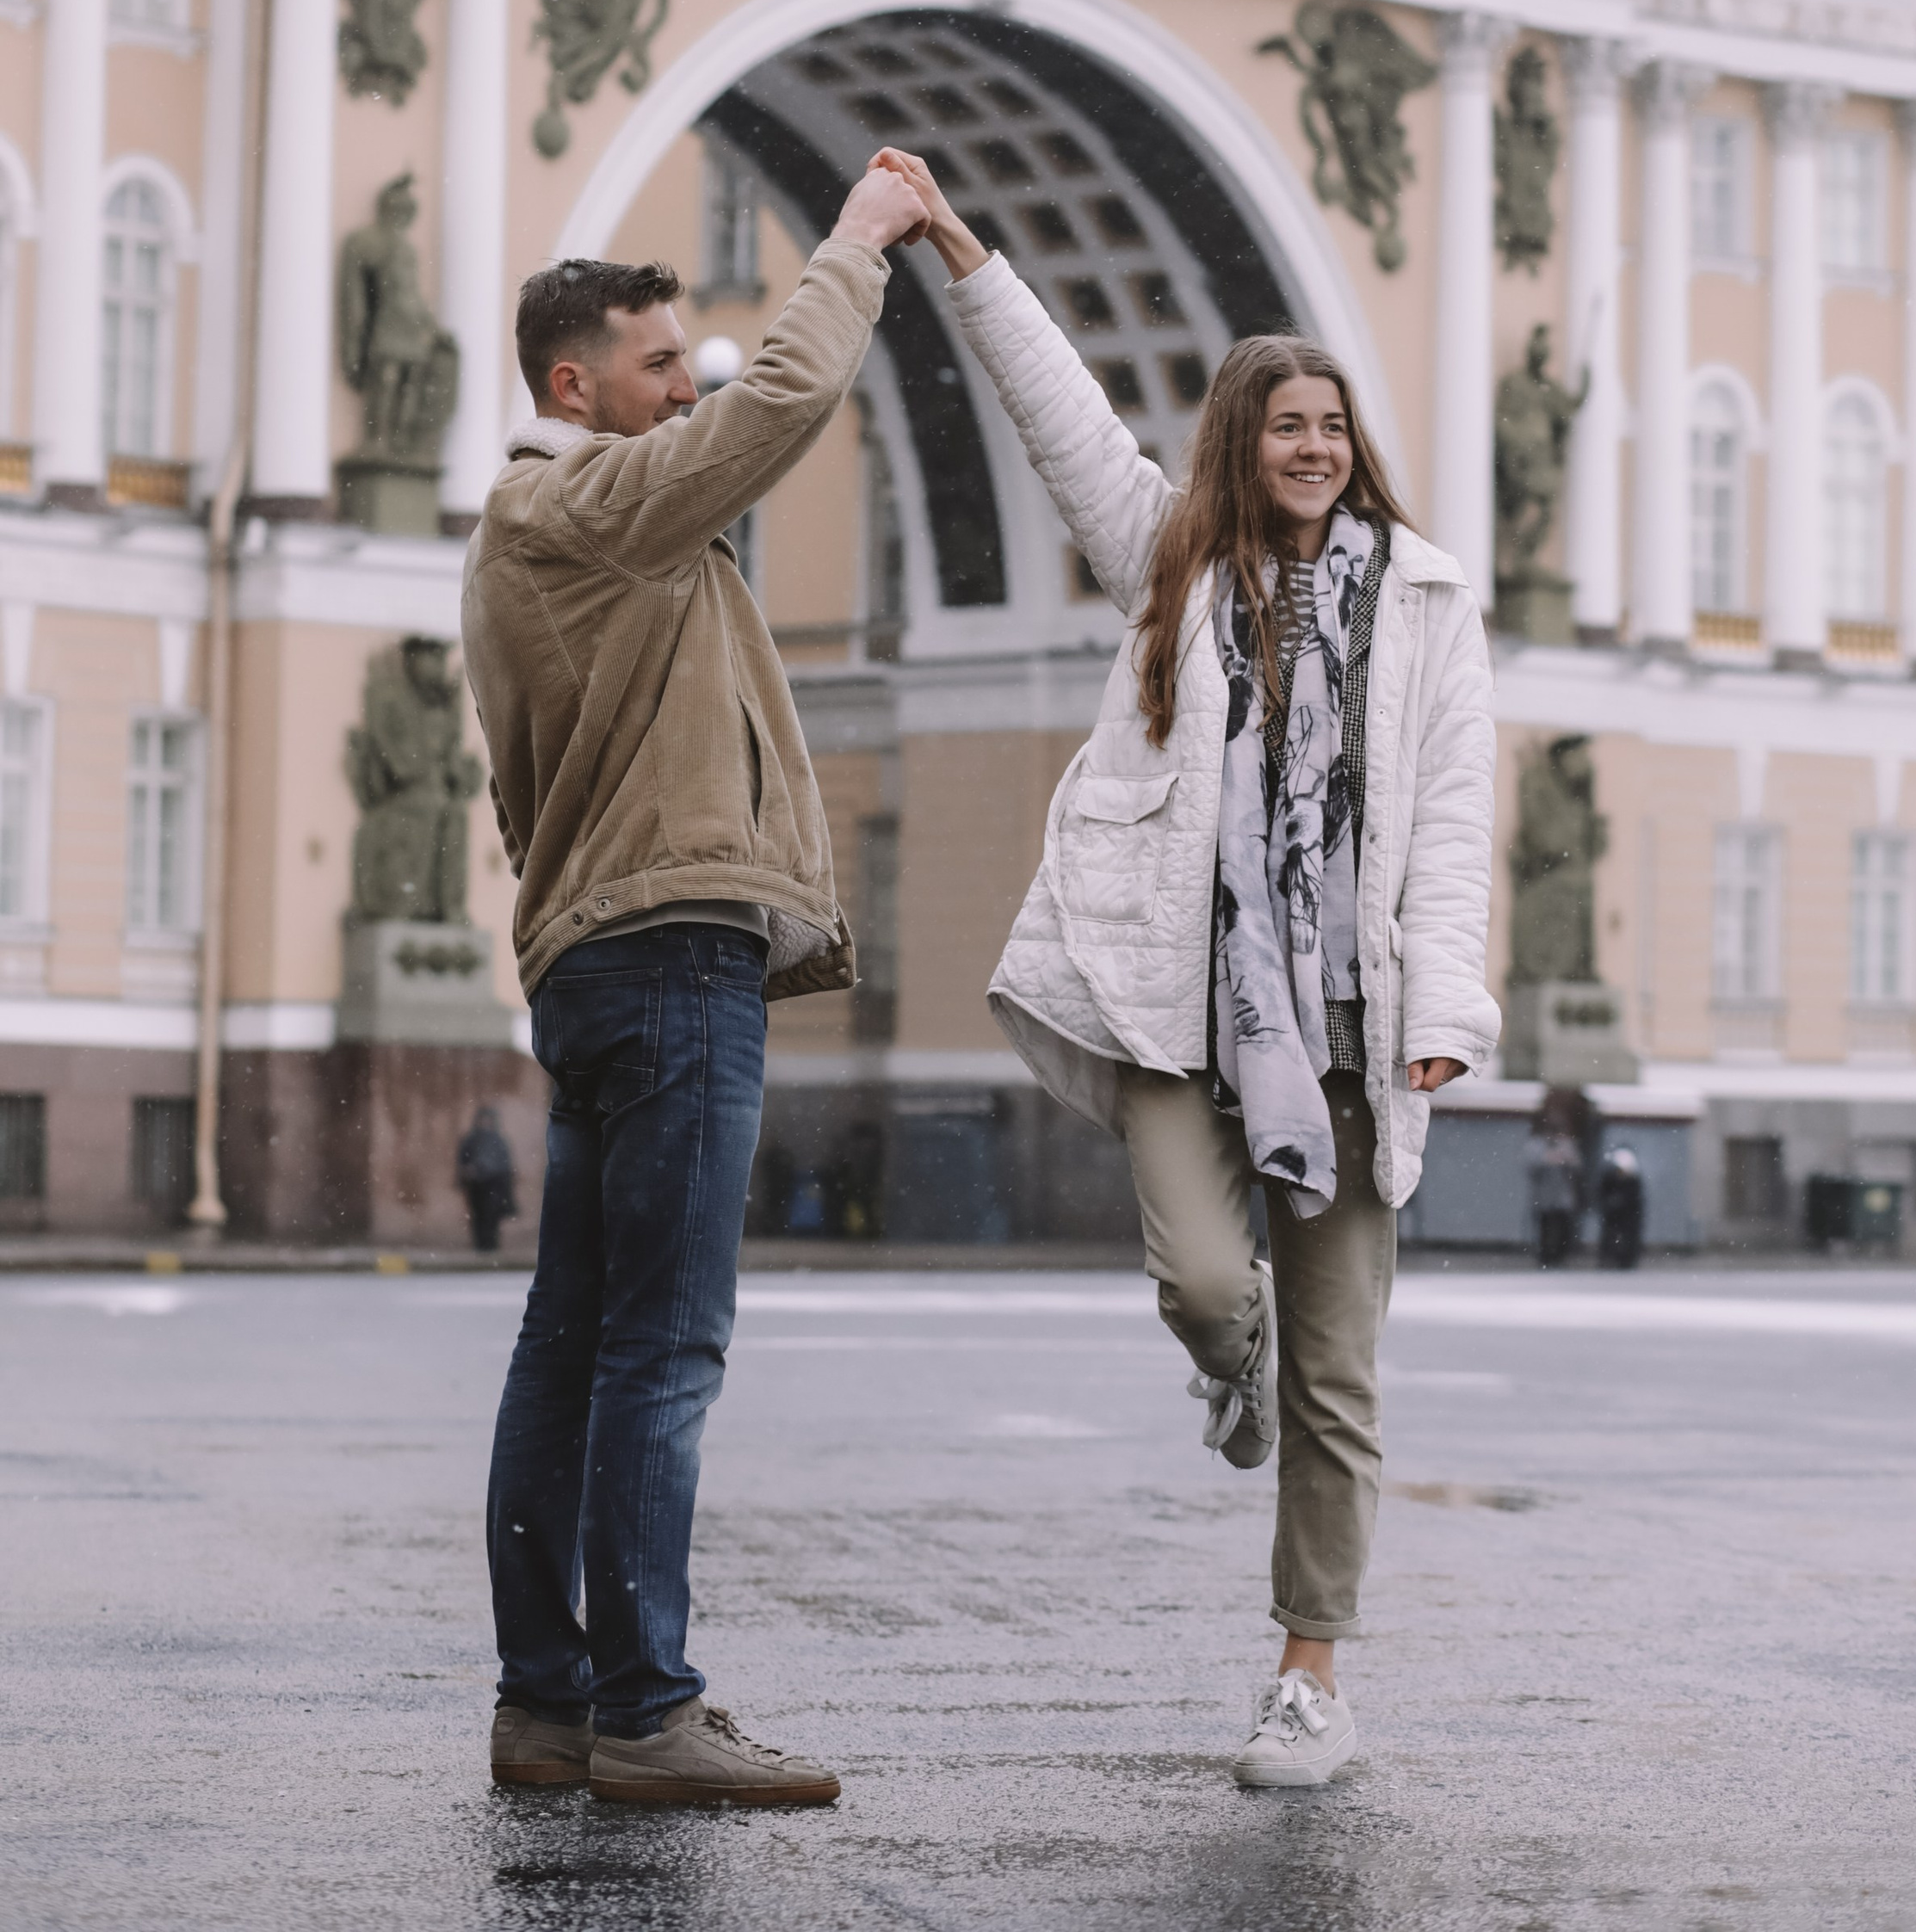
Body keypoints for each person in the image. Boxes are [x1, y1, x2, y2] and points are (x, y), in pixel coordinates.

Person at [875, 146, 1497, 1790]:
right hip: (1179, 1001)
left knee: (1343, 1368)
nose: (1315, 449)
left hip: (1352, 1030)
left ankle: (1308, 1676)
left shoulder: (1430, 604)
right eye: (1287, 426)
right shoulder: (1173, 561)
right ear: (1242, 443)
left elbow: (1448, 818)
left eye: (1334, 426)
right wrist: (960, 250)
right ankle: (1238, 1381)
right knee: (1211, 1291)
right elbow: (1065, 416)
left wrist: (1442, 1012)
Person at [461, 173, 925, 1809]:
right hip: (668, 954)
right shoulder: (584, 504)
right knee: (663, 1345)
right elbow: (785, 399)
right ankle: (647, 1708)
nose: (692, 385)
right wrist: (858, 244)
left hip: (608, 954)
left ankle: (548, 1701)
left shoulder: (563, 537)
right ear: (572, 385)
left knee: (577, 1339)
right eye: (660, 362)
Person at [455, 1104, 518, 1256]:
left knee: (492, 1215)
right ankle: (481, 1246)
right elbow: (463, 1161)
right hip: (476, 1185)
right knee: (478, 1215)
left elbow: (505, 1163)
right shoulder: (470, 1140)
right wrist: (469, 1171)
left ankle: (491, 1246)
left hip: (495, 1185)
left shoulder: (499, 1140)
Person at [1528, 1114, 1584, 1269]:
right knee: (1544, 1228)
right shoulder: (1537, 1146)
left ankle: (1560, 1256)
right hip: (1543, 1197)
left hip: (1563, 1197)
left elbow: (1577, 1168)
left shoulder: (1568, 1146)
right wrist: (1546, 1160)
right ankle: (1545, 1257)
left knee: (1563, 1227)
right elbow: (1531, 1168)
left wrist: (1566, 1161)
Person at [1597, 1140, 1646, 1269]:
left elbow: (1634, 1198)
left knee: (1627, 1237)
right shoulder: (1611, 1177)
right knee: (1611, 1236)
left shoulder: (1632, 1180)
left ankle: (1625, 1260)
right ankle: (1610, 1259)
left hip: (1627, 1213)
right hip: (1615, 1213)